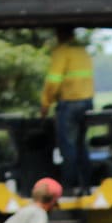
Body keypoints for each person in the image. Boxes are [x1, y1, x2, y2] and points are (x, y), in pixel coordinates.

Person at [40, 28, 95, 192]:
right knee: (81, 145)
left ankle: (69, 186)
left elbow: (53, 81)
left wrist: (45, 103)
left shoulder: (62, 52)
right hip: (87, 103)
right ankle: (86, 184)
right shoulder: (83, 51)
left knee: (68, 146)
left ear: (60, 35)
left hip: (70, 104)